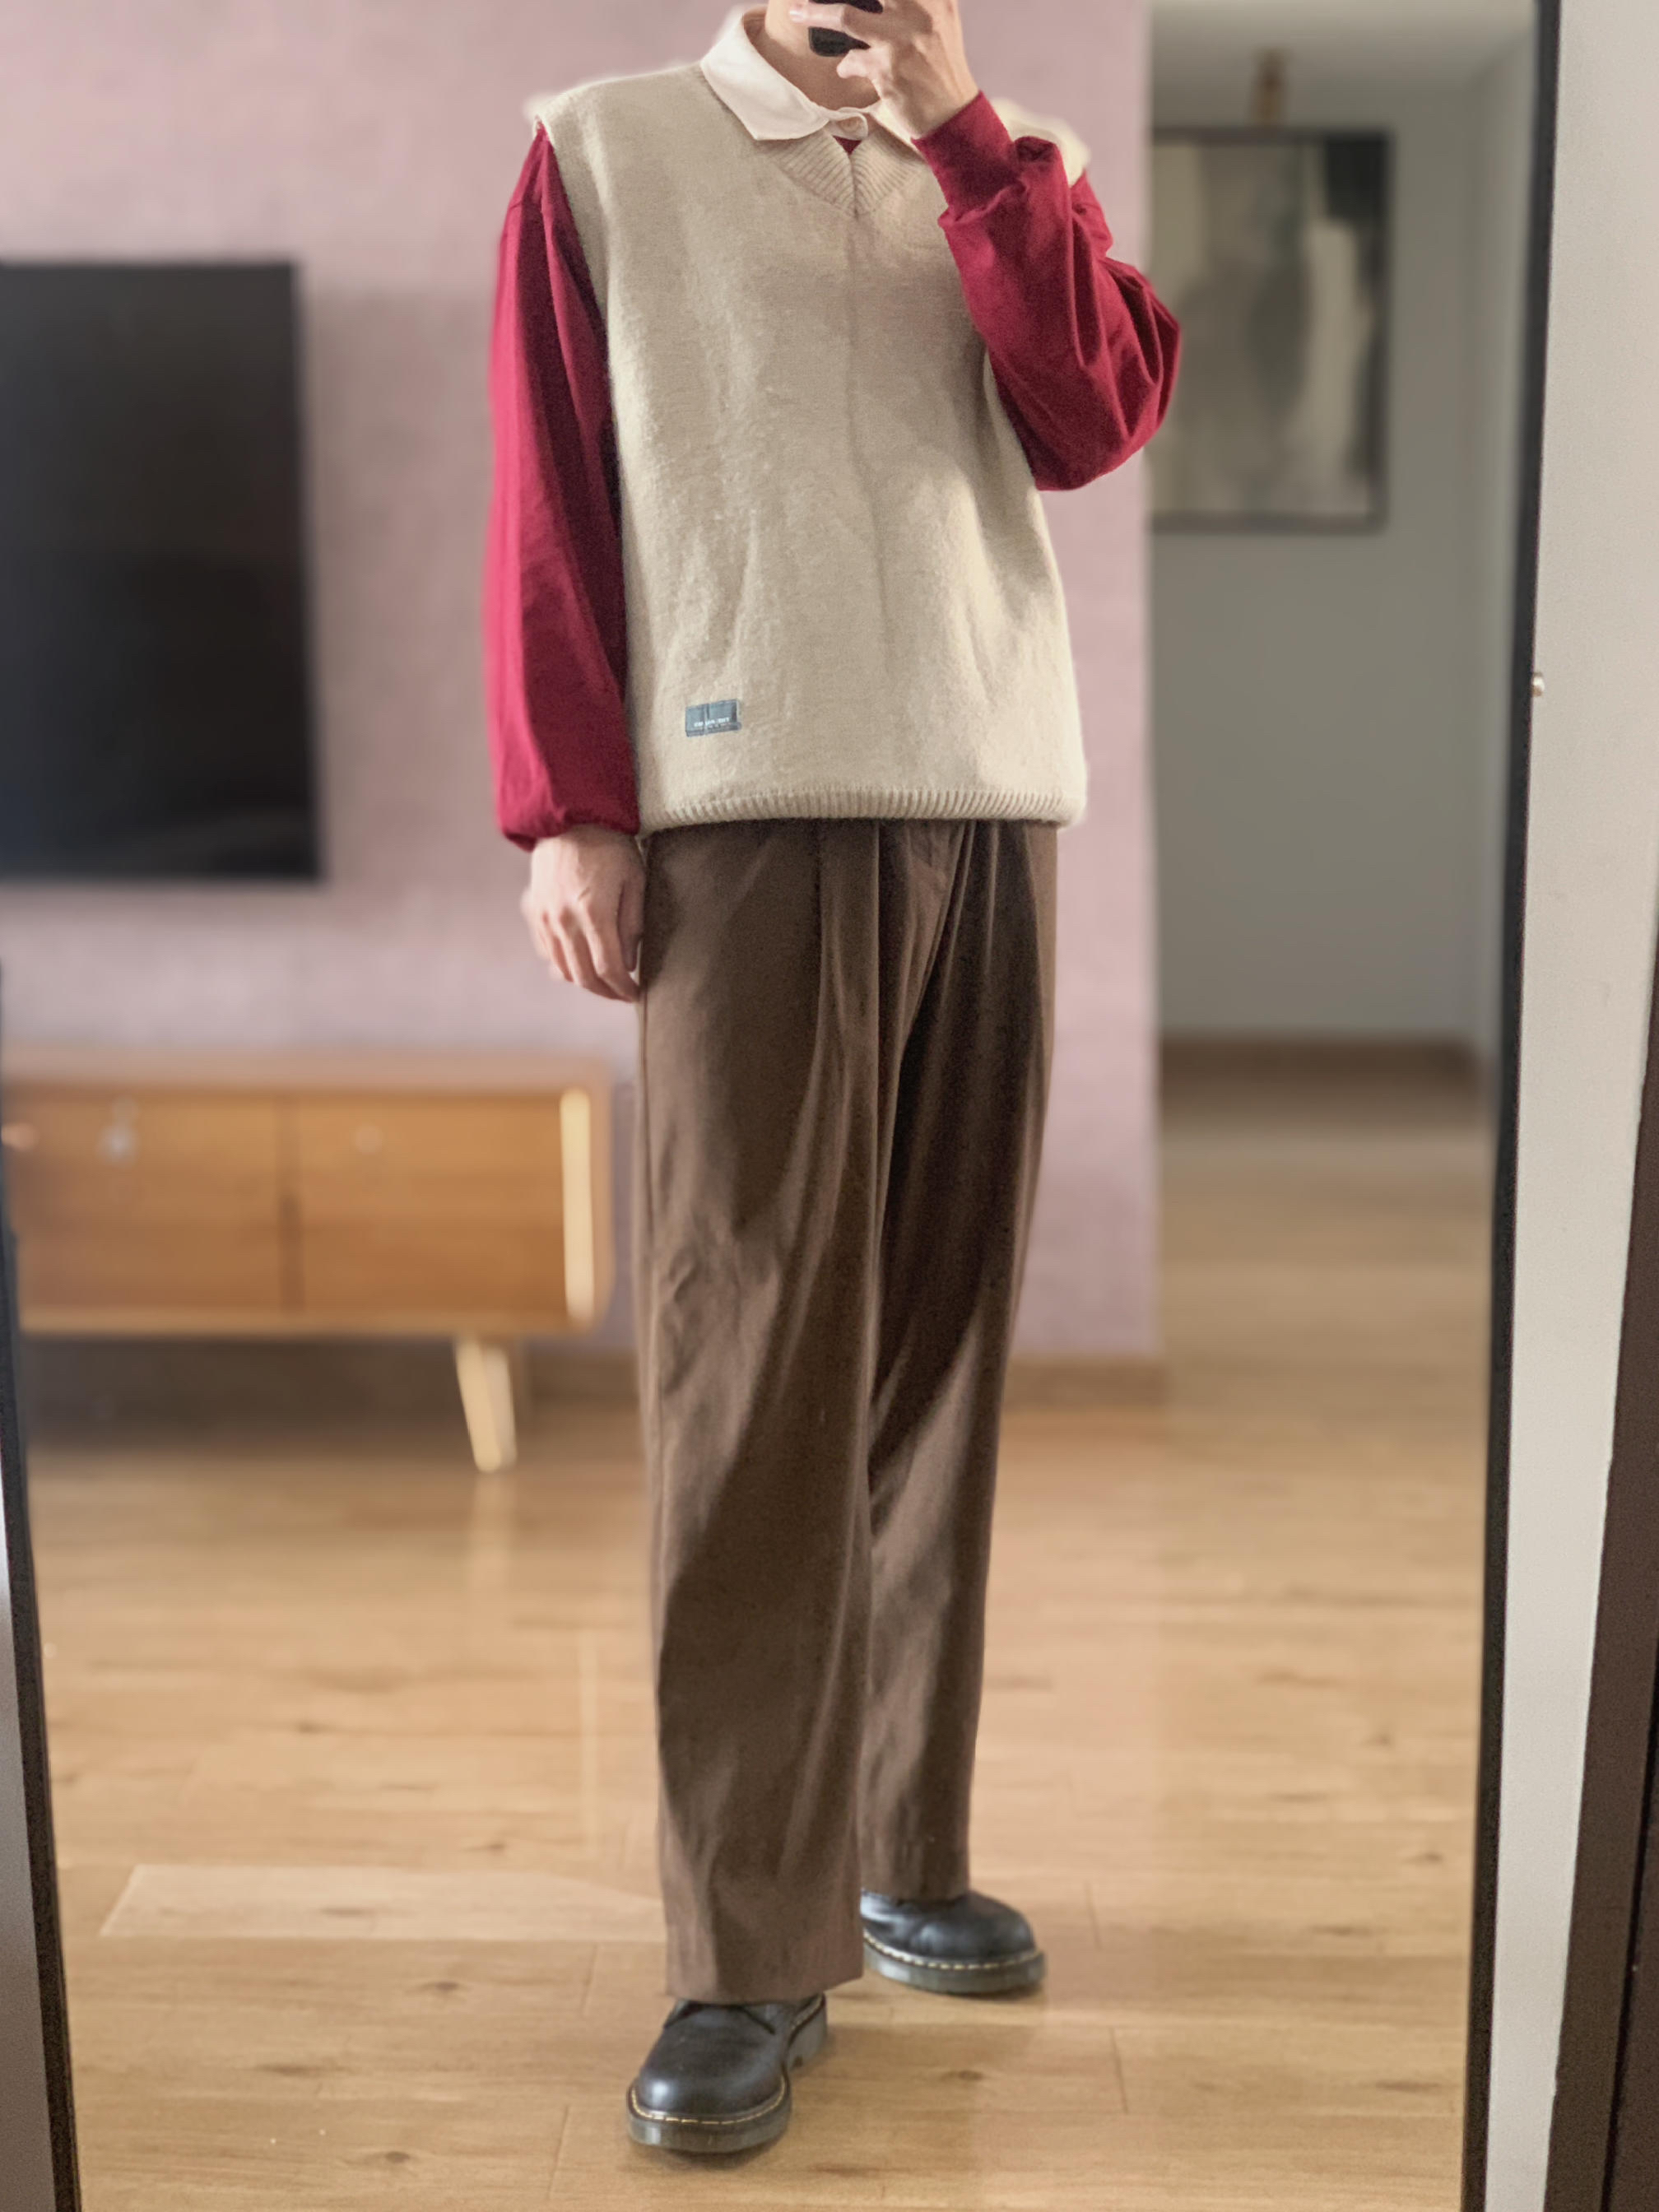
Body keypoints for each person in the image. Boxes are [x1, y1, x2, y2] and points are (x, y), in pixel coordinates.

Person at [484, 0, 1179, 2157]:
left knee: (942, 1344)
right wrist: (570, 809)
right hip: (744, 808)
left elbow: (1096, 419)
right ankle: (743, 1950)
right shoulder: (601, 150)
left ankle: (895, 1848)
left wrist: (966, 137)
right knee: (755, 1354)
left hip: (991, 799)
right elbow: (549, 495)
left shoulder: (1017, 155)